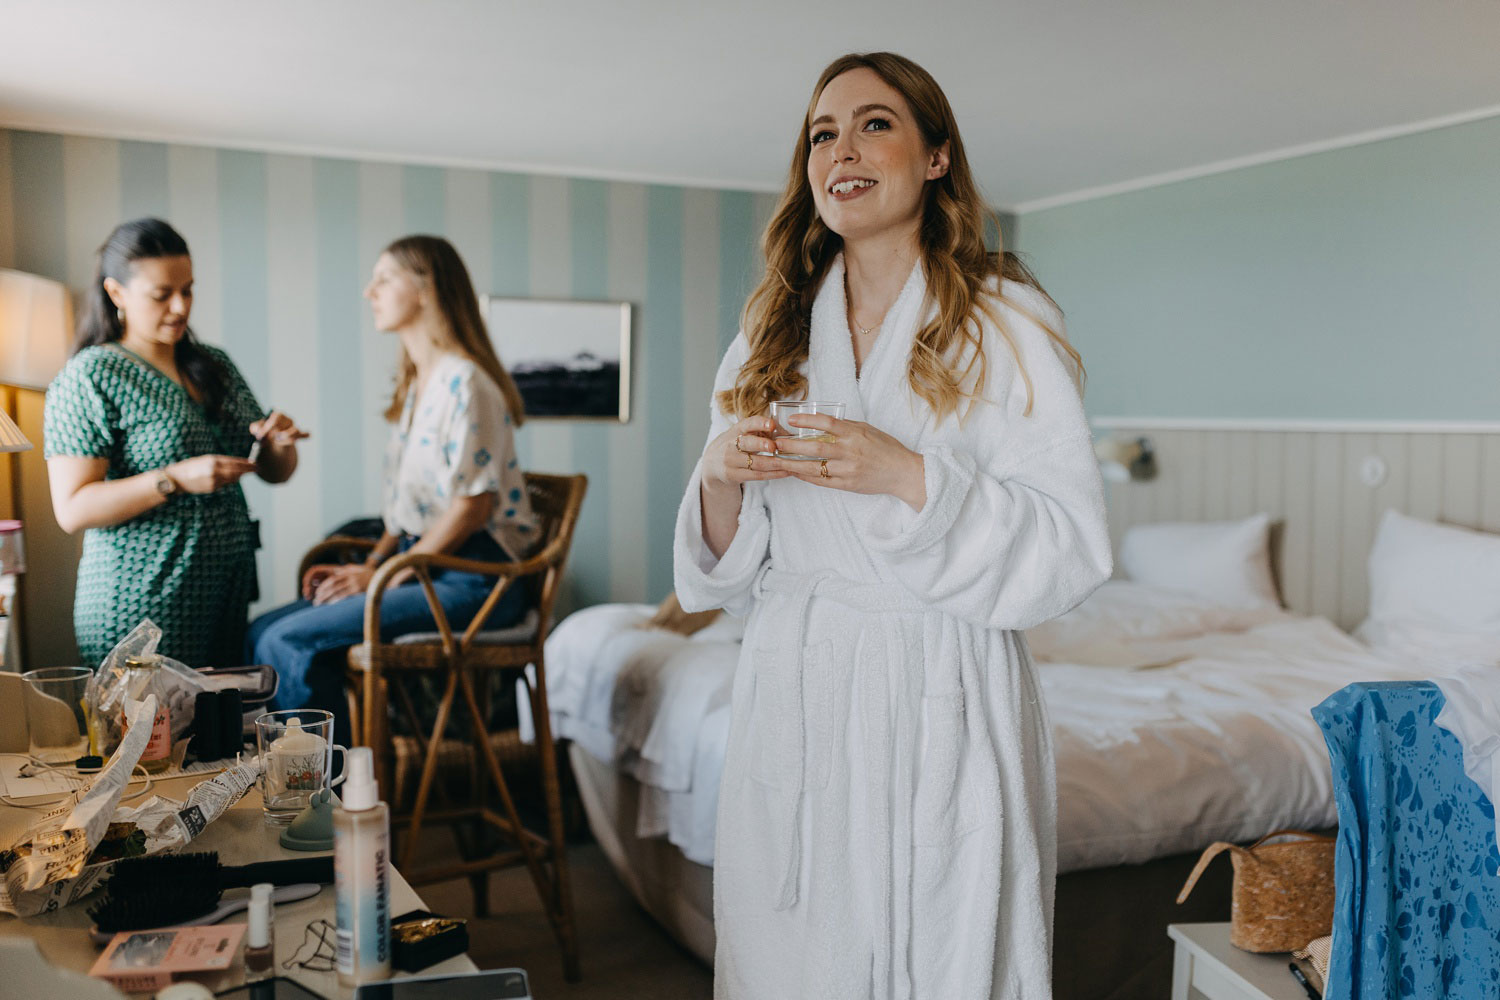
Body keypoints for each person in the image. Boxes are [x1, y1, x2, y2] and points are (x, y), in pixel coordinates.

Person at [672, 53, 1112, 998]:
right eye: (822, 133)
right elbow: (722, 570)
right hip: (797, 675)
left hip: (943, 676)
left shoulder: (1006, 323)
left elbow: (1069, 546)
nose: (842, 149)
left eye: (875, 124)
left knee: (946, 949)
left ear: (937, 156)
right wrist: (715, 479)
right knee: (792, 950)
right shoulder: (771, 331)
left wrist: (909, 476)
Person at [247, 235, 535, 743]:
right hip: (420, 566)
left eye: (383, 279)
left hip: (475, 580)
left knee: (289, 642)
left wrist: (381, 574)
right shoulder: (417, 387)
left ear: (426, 289)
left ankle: (320, 806)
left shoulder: (466, 383)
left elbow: (471, 509)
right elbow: (405, 516)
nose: (368, 292)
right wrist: (366, 565)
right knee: (258, 633)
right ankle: (286, 786)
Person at [45, 218, 306, 670]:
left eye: (188, 289)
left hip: (224, 591)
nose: (181, 306)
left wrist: (279, 443)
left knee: (221, 735)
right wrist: (174, 480)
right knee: (147, 737)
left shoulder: (213, 364)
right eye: (162, 294)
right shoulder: (92, 375)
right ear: (117, 292)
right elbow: (73, 509)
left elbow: (274, 471)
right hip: (140, 600)